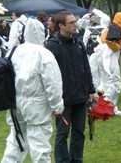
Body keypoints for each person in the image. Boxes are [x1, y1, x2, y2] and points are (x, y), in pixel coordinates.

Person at [1, 18, 64, 163]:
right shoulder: (43, 54)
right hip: (37, 105)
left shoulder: (13, 51)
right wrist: (57, 106)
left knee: (15, 142)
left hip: (16, 104)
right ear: (42, 33)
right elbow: (53, 83)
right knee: (39, 144)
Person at [45, 11, 96, 162]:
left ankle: (77, 159)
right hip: (63, 99)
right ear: (61, 25)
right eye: (72, 23)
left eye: (75, 21)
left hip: (81, 97)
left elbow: (86, 68)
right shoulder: (52, 46)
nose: (75, 25)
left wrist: (91, 90)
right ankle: (62, 160)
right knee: (62, 133)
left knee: (79, 132)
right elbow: (48, 75)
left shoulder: (79, 43)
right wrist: (53, 100)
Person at [90, 12, 121, 115]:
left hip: (105, 57)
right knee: (114, 81)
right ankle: (107, 106)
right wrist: (119, 46)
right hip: (108, 58)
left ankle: (107, 106)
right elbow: (110, 41)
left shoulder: (115, 28)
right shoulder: (115, 28)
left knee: (107, 81)